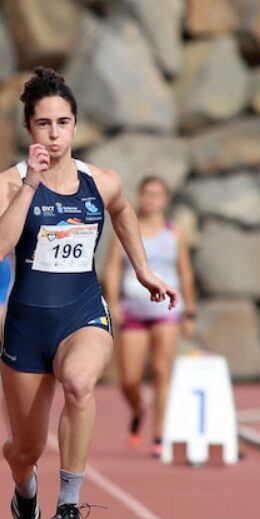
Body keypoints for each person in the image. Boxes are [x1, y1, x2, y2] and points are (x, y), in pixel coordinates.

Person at [0, 67, 177, 519]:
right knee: (25, 448)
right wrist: (31, 184)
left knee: (79, 382)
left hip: (82, 314)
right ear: (29, 128)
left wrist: (143, 269)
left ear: (75, 126)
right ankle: (24, 487)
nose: (54, 134)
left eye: (63, 123)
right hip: (28, 326)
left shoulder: (102, 181)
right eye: (44, 124)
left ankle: (69, 504)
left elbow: (125, 212)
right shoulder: (7, 184)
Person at [103, 176, 196, 457]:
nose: (152, 200)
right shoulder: (127, 228)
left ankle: (159, 434)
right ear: (140, 197)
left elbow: (185, 271)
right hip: (134, 308)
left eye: (158, 194)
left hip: (166, 311)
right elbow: (113, 268)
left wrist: (190, 311)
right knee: (129, 378)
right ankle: (137, 409)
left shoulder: (174, 232)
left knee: (160, 371)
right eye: (147, 194)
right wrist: (114, 301)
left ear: (165, 199)